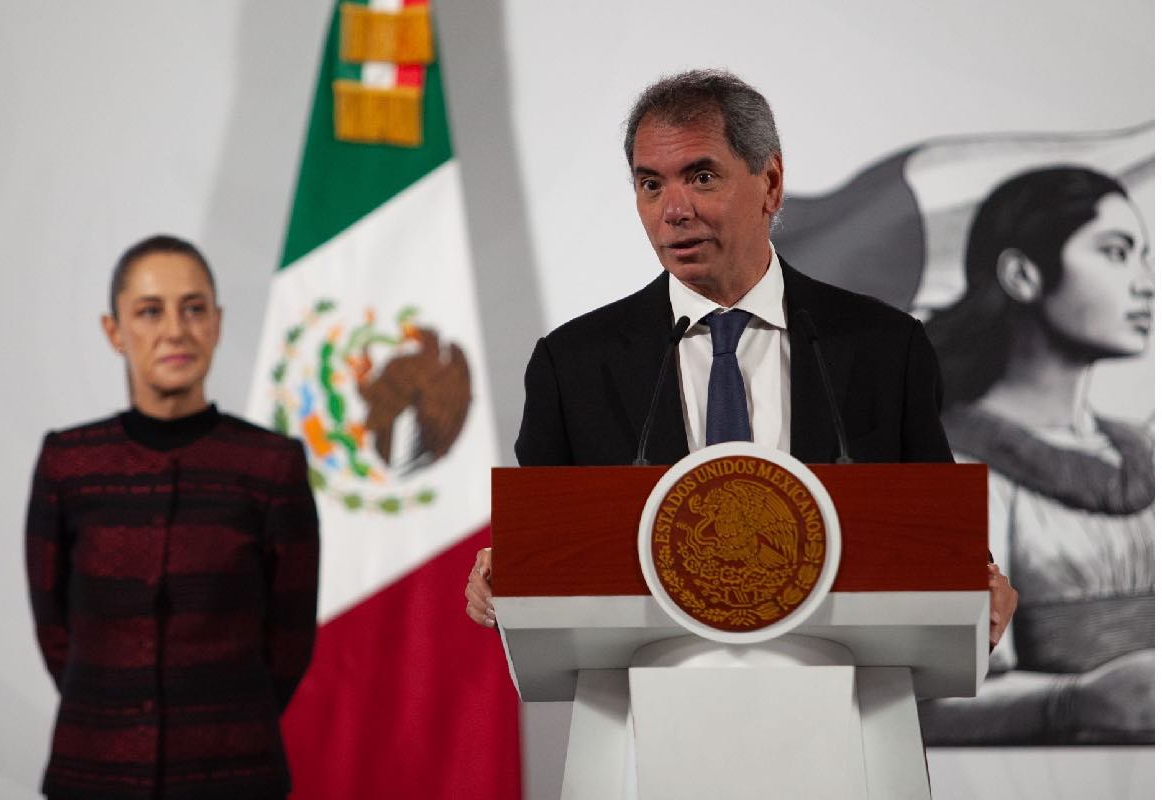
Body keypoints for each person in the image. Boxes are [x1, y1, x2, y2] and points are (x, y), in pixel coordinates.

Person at [464, 69, 1017, 646]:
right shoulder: (574, 365)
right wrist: (506, 572)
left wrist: (980, 586)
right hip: (651, 701)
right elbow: (546, 548)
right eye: (650, 184)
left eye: (701, 177)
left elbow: (936, 534)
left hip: (844, 694)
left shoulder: (882, 347)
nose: (673, 210)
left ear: (771, 182)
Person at [24, 235, 320, 799]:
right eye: (149, 311)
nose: (175, 330)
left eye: (194, 308)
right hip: (93, 772)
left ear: (217, 322)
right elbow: (55, 631)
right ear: (115, 331)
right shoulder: (69, 463)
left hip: (234, 775)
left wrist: (223, 715)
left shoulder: (271, 465)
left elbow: (290, 640)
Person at [918, 167, 1154, 744]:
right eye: (1117, 253)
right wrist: (1074, 703)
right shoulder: (956, 470)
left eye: (1145, 256)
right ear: (1023, 275)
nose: (1146, 282)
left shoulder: (1144, 451)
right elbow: (929, 705)